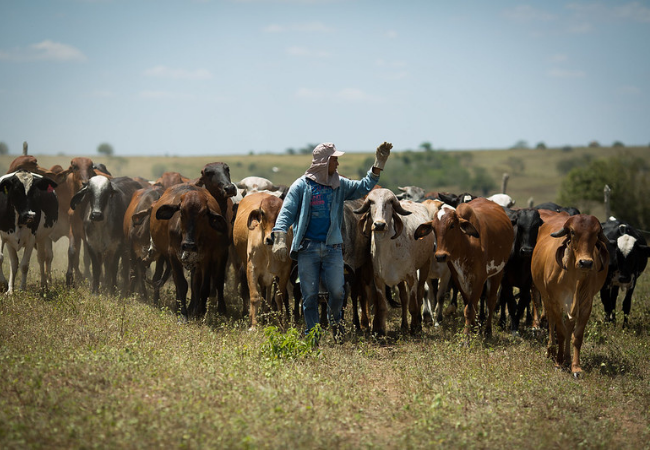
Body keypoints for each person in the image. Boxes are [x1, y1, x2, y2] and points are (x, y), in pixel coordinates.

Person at [271, 141, 392, 340]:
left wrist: (378, 163)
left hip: (333, 249)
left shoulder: (339, 184)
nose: (337, 164)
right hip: (307, 248)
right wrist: (280, 237)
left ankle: (335, 325)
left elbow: (363, 187)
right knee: (309, 296)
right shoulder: (301, 185)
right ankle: (313, 334)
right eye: (334, 159)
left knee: (337, 292)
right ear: (323, 161)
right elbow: (286, 212)